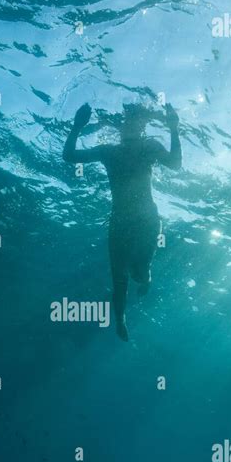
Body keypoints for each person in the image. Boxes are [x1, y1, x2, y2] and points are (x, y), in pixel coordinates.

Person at [63, 102, 182, 340]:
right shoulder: (109, 151)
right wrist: (77, 126)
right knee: (118, 276)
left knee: (139, 272)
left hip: (146, 219)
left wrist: (174, 128)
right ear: (122, 127)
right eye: (127, 122)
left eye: (135, 122)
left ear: (141, 127)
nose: (129, 126)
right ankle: (120, 318)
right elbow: (69, 157)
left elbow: (175, 165)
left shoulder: (149, 146)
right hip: (120, 221)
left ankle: (146, 277)